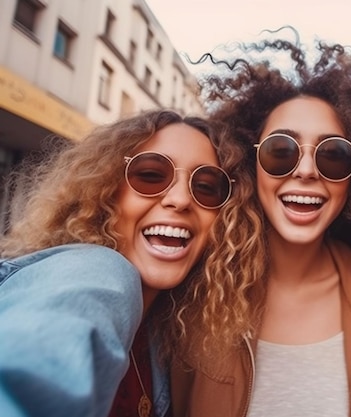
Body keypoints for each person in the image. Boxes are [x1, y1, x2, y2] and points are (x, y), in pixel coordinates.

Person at [167, 34, 351, 417]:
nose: (306, 170)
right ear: (249, 161)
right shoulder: (192, 287)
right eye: (281, 151)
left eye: (333, 155)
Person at [0, 109, 235, 417]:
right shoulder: (95, 269)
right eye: (151, 175)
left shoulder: (161, 341)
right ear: (107, 193)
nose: (180, 199)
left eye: (206, 186)